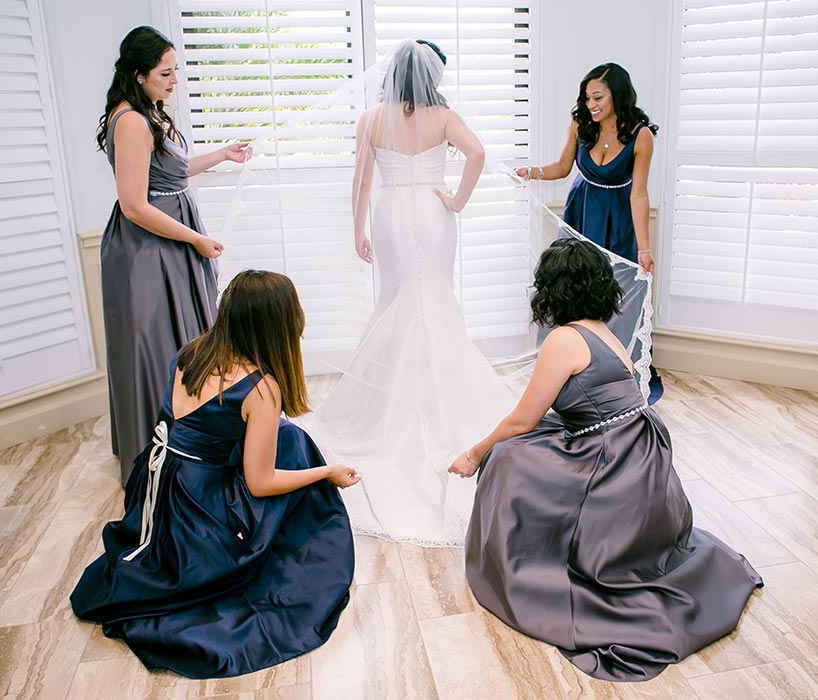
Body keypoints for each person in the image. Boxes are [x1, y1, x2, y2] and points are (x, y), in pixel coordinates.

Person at [450, 238, 762, 682]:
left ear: (552, 290)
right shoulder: (602, 329)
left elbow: (521, 420)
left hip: (613, 458)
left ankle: (523, 564)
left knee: (507, 459)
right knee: (529, 445)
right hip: (640, 450)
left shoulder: (564, 338)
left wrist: (473, 454)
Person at [71, 270, 361, 679]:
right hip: (195, 508)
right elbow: (260, 483)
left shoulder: (192, 350)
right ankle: (304, 539)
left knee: (285, 436)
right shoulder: (261, 388)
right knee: (297, 451)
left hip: (157, 483)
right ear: (275, 324)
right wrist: (325, 472)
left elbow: (198, 428)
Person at [297, 39, 518, 546]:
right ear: (429, 76)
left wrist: (359, 230)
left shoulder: (372, 117)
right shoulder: (443, 116)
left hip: (392, 213)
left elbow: (360, 179)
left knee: (397, 301)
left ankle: (388, 405)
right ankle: (436, 402)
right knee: (433, 298)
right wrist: (456, 201)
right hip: (434, 213)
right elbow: (478, 154)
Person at [97, 26, 253, 483]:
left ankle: (194, 436)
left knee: (187, 337)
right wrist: (194, 239)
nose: (174, 80)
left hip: (172, 238)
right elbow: (134, 205)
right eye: (165, 73)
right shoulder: (129, 121)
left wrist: (222, 154)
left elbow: (174, 171)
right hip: (148, 249)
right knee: (155, 344)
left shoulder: (150, 112)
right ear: (139, 74)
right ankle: (159, 450)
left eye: (177, 70)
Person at [516, 62, 663, 401]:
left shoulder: (641, 135)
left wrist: (644, 248)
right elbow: (562, 167)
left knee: (613, 297)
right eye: (587, 98)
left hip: (619, 218)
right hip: (580, 213)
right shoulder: (581, 125)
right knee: (567, 287)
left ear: (618, 95)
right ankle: (558, 369)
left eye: (598, 97)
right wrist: (531, 172)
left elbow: (639, 193)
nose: (591, 105)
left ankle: (607, 377)